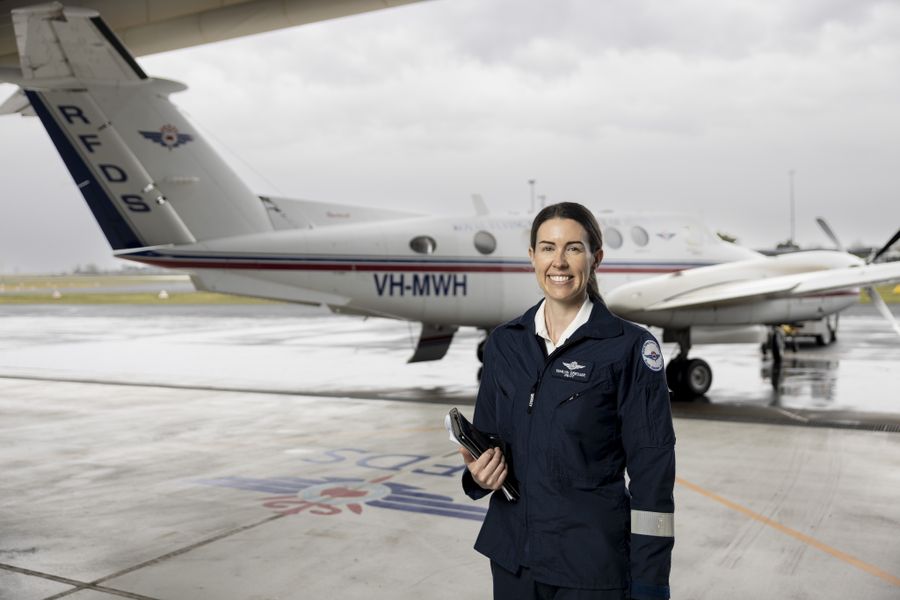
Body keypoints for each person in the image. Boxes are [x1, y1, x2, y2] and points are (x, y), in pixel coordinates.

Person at [460, 202, 675, 600]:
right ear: (532, 257)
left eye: (573, 248)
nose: (559, 261)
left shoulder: (630, 348)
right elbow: (486, 441)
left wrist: (650, 582)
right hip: (513, 561)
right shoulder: (505, 343)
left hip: (590, 567)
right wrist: (477, 475)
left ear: (596, 259)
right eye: (547, 248)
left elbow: (653, 476)